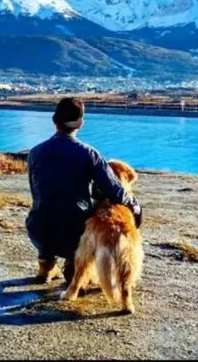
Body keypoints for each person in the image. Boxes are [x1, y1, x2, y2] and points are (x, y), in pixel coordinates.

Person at [26, 97, 142, 284]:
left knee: (47, 208)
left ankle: (45, 266)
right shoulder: (89, 154)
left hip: (38, 229)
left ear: (54, 121)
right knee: (88, 220)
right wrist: (134, 207)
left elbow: (35, 191)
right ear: (80, 123)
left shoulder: (35, 152)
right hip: (74, 232)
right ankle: (75, 266)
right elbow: (114, 190)